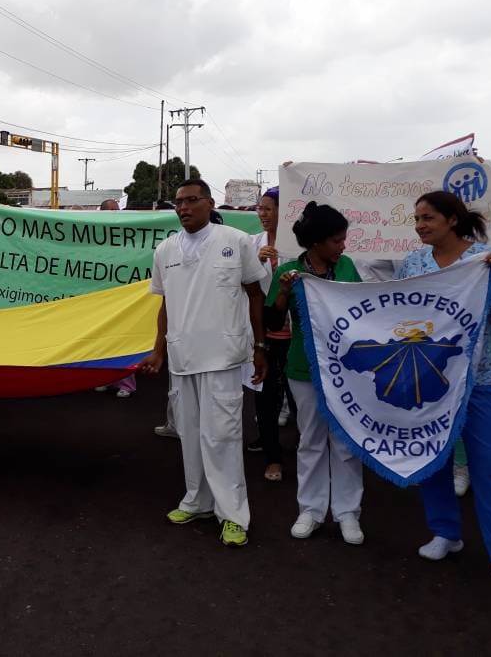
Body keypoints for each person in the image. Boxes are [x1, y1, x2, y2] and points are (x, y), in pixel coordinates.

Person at [140, 179, 267, 548]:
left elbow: (255, 294)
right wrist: (158, 350)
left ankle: (233, 515)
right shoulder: (165, 250)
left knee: (223, 438)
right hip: (182, 357)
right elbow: (165, 305)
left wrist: (260, 346)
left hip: (224, 357)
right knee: (191, 437)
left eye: (191, 201)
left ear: (209, 203)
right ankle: (197, 502)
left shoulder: (235, 241)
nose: (183, 208)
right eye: (178, 202)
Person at [394, 192, 491, 574]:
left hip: (480, 379)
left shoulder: (485, 260)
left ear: (452, 220)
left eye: (427, 217)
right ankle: (445, 532)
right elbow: (394, 311)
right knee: (434, 460)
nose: (419, 225)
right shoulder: (413, 262)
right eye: (416, 218)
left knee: (487, 466)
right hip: (429, 381)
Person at [268, 202, 365, 544]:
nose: (343, 246)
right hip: (303, 369)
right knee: (310, 439)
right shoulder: (290, 273)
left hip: (347, 369)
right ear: (317, 242)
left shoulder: (349, 267)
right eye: (337, 240)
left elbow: (365, 310)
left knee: (345, 441)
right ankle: (310, 509)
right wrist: (282, 294)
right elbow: (272, 323)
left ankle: (347, 513)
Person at [246, 187, 295, 482]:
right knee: (265, 397)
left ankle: (308, 448)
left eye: (268, 208)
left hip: (297, 336)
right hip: (265, 333)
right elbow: (244, 284)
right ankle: (272, 456)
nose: (262, 214)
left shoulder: (300, 246)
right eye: (259, 209)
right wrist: (259, 262)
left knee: (300, 398)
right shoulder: (253, 245)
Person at [95, 198, 135, 399]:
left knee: (121, 340)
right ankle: (104, 379)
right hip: (101, 296)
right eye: (111, 210)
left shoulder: (126, 231)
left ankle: (126, 383)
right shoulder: (95, 231)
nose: (116, 213)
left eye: (117, 210)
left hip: (122, 297)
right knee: (101, 340)